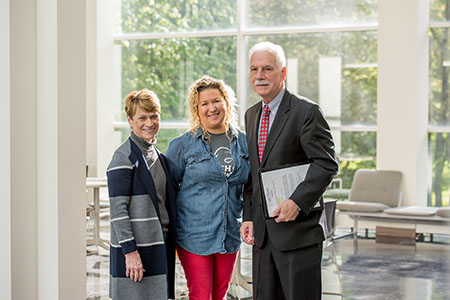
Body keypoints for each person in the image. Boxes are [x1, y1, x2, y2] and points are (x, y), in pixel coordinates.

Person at [239, 41, 339, 300]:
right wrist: (249, 215)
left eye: (267, 69)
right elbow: (254, 172)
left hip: (298, 234)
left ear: (282, 74)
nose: (259, 76)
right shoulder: (251, 115)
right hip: (263, 237)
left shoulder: (306, 112)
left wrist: (297, 200)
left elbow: (326, 163)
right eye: (254, 69)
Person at [166, 75, 250, 300]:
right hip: (193, 234)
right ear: (197, 109)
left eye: (216, 101)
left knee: (219, 295)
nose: (211, 108)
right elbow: (168, 190)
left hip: (229, 233)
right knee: (201, 295)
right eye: (204, 103)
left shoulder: (243, 142)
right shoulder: (182, 145)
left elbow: (251, 187)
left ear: (226, 103)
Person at [106, 89, 177, 300]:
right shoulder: (123, 158)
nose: (149, 122)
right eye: (142, 117)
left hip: (158, 245)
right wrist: (130, 252)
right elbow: (117, 211)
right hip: (136, 251)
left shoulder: (159, 157)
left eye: (154, 116)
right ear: (130, 120)